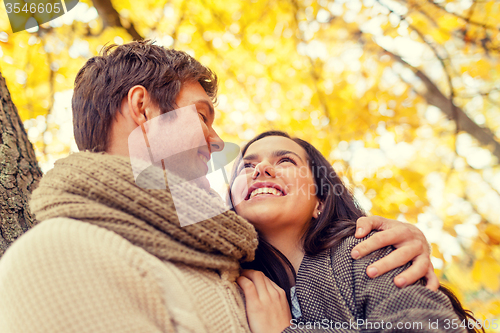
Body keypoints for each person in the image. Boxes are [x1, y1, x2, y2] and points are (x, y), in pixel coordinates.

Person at [0, 41, 434, 332]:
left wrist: (400, 241)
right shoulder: (59, 256)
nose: (215, 140)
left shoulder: (232, 265)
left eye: (285, 161)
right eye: (202, 115)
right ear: (142, 108)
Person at [230, 131, 483, 333]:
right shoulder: (229, 277)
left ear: (320, 201)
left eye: (285, 160)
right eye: (246, 166)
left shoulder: (364, 251)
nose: (260, 168)